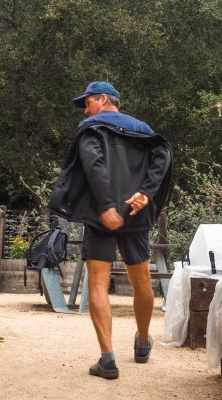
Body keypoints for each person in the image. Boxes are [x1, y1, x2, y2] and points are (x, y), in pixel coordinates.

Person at [48, 81, 173, 380]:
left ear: (104, 99)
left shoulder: (91, 128)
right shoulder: (142, 129)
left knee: (98, 284)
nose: (86, 109)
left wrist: (106, 205)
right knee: (141, 279)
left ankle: (108, 360)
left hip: (101, 216)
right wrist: (146, 193)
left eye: (88, 102)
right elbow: (163, 155)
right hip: (136, 213)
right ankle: (143, 342)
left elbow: (94, 165)